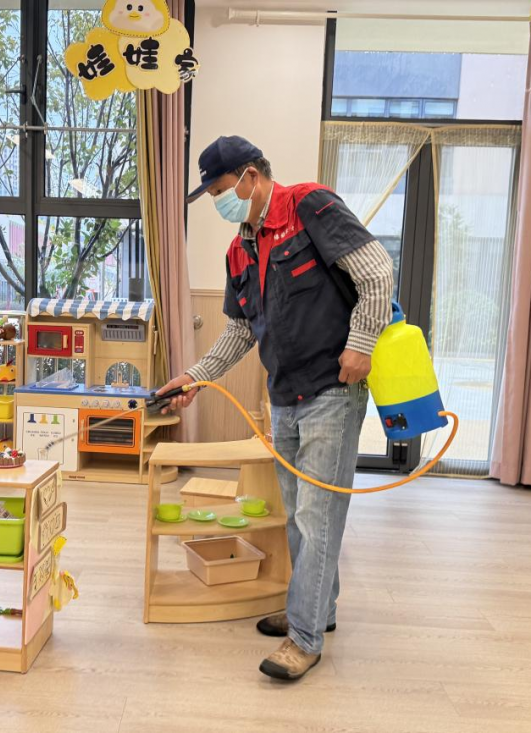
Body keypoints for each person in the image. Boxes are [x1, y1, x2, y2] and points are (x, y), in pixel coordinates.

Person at [159, 136, 394, 681]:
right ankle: (317, 609)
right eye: (212, 195)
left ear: (250, 176)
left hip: (332, 391)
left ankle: (305, 637)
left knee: (318, 515)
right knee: (300, 514)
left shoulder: (309, 207)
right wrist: (195, 377)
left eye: (220, 190)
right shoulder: (238, 251)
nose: (219, 202)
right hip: (283, 397)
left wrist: (361, 345)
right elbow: (240, 331)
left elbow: (377, 272)